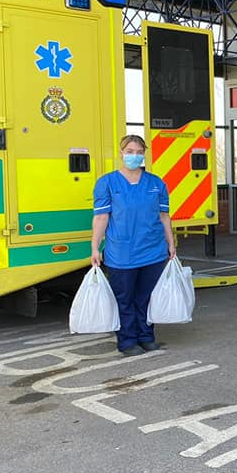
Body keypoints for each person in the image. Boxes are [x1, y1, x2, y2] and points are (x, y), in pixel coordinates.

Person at [91, 135, 176, 356]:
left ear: (144, 153)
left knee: (146, 297)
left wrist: (171, 243)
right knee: (125, 298)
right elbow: (101, 217)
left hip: (153, 251)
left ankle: (147, 336)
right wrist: (94, 247)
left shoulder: (156, 183)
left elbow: (164, 216)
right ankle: (128, 340)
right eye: (130, 151)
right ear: (121, 153)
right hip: (121, 253)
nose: (134, 156)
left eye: (139, 151)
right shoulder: (107, 183)